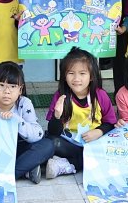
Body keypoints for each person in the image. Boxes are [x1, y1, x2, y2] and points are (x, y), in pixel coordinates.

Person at [45, 47, 117, 178]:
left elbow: (111, 123)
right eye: (71, 73)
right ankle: (72, 162)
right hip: (69, 144)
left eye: (82, 73)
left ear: (91, 76)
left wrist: (99, 131)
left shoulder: (100, 96)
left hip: (93, 144)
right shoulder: (60, 96)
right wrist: (56, 115)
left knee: (108, 153)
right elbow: (53, 132)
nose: (76, 78)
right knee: (49, 142)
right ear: (64, 75)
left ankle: (65, 164)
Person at [0, 62, 54, 184]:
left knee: (48, 145)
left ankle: (9, 175)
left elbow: (38, 134)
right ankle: (27, 169)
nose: (7, 91)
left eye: (13, 87)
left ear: (20, 90)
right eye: (1, 85)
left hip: (19, 148)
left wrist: (16, 121)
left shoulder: (24, 103)